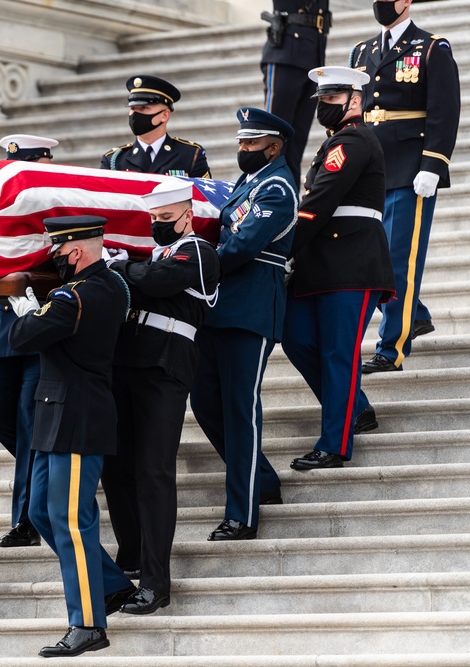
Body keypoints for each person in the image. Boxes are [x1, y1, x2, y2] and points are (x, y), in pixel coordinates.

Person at [8, 216, 135, 658]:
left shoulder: (76, 295)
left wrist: (23, 308)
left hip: (77, 418)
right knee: (43, 512)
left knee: (70, 522)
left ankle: (87, 623)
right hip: (57, 416)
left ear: (76, 251)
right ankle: (113, 585)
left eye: (57, 251)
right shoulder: (109, 286)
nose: (54, 258)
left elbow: (22, 337)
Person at [104, 179, 220, 615]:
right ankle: (130, 554)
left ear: (187, 216)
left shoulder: (199, 253)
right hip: (126, 364)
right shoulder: (147, 256)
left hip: (165, 368)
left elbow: (159, 280)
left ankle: (156, 582)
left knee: (154, 472)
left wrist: (117, 267)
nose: (158, 226)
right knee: (116, 468)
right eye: (153, 219)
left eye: (166, 219)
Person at [189, 108, 297, 542]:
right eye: (240, 142)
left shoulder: (278, 187)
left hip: (251, 310)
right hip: (219, 308)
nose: (242, 150)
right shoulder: (248, 183)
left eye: (250, 144)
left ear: (273, 146)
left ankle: (243, 513)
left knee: (239, 408)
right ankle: (263, 480)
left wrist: (191, 264)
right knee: (206, 403)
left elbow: (241, 246)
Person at [285, 67, 395, 471]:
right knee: (295, 338)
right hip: (320, 265)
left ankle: (334, 443)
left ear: (356, 101)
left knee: (338, 354)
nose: (325, 108)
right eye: (322, 101)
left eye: (333, 101)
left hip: (351, 263)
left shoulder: (353, 140)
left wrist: (279, 248)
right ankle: (356, 408)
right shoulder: (334, 143)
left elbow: (316, 206)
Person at [350, 0, 460, 373]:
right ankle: (414, 312)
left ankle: (391, 348)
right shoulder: (361, 51)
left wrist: (433, 163)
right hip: (368, 168)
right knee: (372, 259)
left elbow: (445, 110)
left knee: (397, 259)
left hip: (409, 167)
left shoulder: (431, 47)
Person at [0, 133, 59, 550]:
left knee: (26, 420)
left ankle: (26, 519)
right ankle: (44, 478)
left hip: (40, 334)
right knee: (0, 419)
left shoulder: (60, 212)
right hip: (1, 337)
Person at [260, 0, 332, 185]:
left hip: (313, 53)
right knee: (273, 138)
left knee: (296, 144)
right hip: (286, 51)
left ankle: (287, 199)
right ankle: (266, 194)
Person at [101, 75, 210, 177]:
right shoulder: (114, 160)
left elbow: (205, 196)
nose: (135, 115)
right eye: (133, 108)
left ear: (164, 115)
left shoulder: (191, 155)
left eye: (144, 108)